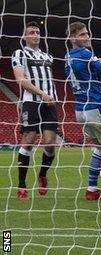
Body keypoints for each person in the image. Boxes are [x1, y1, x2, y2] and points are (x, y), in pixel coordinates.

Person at [65, 22, 101, 200]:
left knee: (98, 147)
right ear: (73, 38)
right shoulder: (85, 53)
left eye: (87, 33)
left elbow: (85, 81)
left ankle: (91, 189)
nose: (87, 37)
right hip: (96, 107)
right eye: (82, 35)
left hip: (80, 109)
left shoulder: (68, 57)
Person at [11, 21, 58, 200]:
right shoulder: (19, 53)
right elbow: (20, 80)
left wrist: (49, 96)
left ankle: (43, 174)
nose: (35, 34)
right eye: (31, 32)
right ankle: (22, 186)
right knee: (29, 140)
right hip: (31, 102)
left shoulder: (48, 57)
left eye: (37, 32)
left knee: (50, 142)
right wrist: (41, 94)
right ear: (24, 36)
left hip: (50, 103)